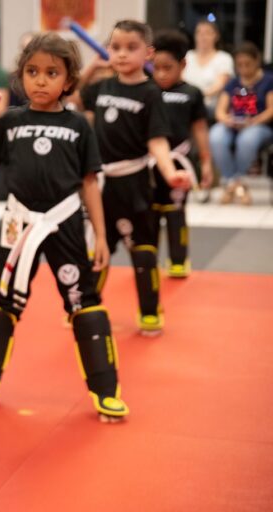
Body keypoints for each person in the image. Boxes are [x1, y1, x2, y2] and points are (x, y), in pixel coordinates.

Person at [0, 33, 128, 422]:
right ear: (21, 77)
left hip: (65, 222)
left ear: (68, 80)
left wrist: (99, 235)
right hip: (18, 225)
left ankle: (106, 389)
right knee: (3, 304)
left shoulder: (79, 125)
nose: (41, 80)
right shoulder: (10, 121)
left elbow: (89, 183)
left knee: (85, 304)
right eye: (32, 71)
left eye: (52, 72)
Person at [81, 20, 191, 335]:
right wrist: (93, 67)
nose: (122, 54)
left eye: (131, 48)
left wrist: (170, 173)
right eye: (115, 47)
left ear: (148, 53)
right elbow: (74, 95)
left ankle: (150, 310)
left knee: (142, 250)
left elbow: (157, 141)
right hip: (101, 184)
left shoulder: (151, 93)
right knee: (96, 249)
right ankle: (86, 306)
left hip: (134, 183)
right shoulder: (103, 86)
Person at [151, 30, 213, 278]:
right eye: (156, 68)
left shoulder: (192, 94)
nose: (161, 74)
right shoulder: (148, 91)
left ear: (183, 64)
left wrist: (206, 163)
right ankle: (148, 259)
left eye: (168, 67)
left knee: (175, 211)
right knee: (150, 214)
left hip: (180, 162)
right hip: (149, 164)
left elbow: (199, 128)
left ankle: (178, 260)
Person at [210, 42, 273, 206]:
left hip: (259, 125)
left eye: (248, 64)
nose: (244, 69)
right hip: (234, 123)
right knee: (216, 136)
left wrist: (254, 121)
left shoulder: (268, 80)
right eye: (240, 65)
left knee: (247, 140)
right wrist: (227, 120)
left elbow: (271, 110)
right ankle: (236, 184)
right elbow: (220, 111)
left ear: (256, 61)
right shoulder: (232, 83)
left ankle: (233, 184)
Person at [183, 19, 234, 123]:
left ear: (216, 36)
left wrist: (195, 97)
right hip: (185, 102)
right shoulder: (188, 56)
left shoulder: (224, 58)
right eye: (199, 32)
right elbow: (179, 80)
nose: (203, 36)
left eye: (207, 33)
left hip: (210, 106)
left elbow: (220, 85)